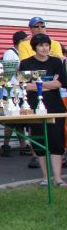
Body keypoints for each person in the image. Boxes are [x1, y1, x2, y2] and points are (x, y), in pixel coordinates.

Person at [18, 33, 65, 187]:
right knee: (39, 141)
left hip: (55, 106)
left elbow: (61, 83)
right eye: (40, 45)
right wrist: (48, 84)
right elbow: (24, 86)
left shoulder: (56, 62)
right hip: (34, 107)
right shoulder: (26, 63)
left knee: (57, 141)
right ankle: (45, 177)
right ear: (34, 47)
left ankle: (58, 178)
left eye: (46, 45)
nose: (44, 48)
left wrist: (38, 85)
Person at [1, 31, 29, 156]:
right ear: (20, 41)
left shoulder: (24, 53)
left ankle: (23, 146)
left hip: (22, 91)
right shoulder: (10, 53)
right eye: (26, 40)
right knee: (10, 121)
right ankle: (5, 145)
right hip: (11, 91)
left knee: (20, 122)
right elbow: (7, 71)